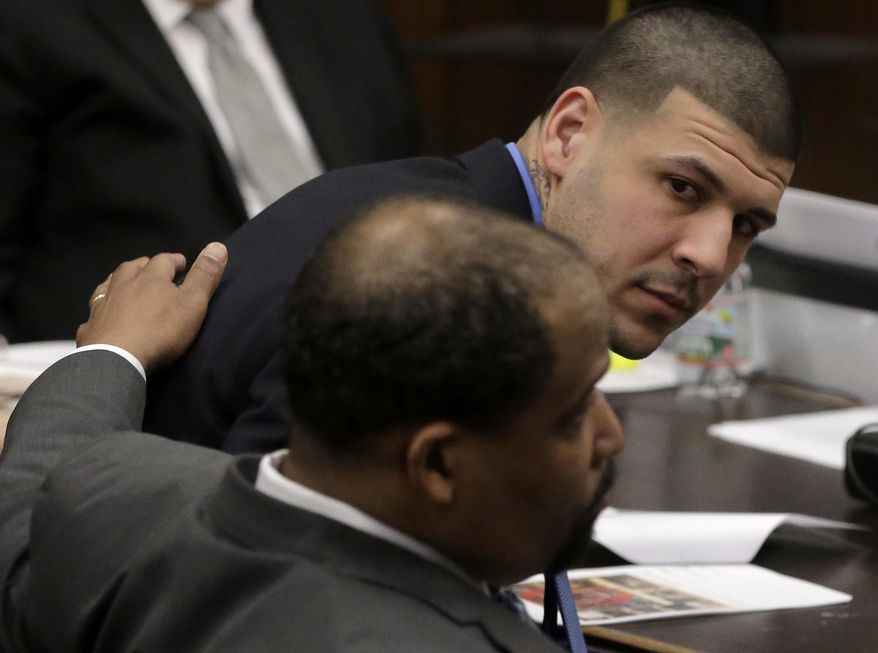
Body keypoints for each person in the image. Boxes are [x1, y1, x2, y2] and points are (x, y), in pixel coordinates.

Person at [143, 2, 800, 453]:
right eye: (682, 188)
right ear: (569, 134)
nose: (711, 256)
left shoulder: (440, 218)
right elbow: (271, 577)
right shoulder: (433, 285)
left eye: (745, 224)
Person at [0, 197, 623, 652]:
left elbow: (33, 499)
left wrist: (114, 354)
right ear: (436, 463)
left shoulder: (115, 502)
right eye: (574, 412)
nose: (610, 433)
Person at [0, 0, 418, 342]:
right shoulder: (33, 23)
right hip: (155, 372)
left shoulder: (340, 15)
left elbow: (408, 186)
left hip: (375, 334)